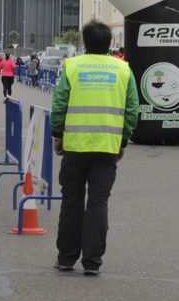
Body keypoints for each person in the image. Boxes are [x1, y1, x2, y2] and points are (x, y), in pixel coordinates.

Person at [51, 21, 138, 276]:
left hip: (75, 146)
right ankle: (92, 262)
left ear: (85, 43)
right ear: (109, 43)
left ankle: (66, 258)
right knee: (98, 203)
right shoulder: (123, 69)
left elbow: (59, 104)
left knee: (71, 202)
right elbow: (131, 109)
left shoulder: (72, 66)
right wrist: (123, 140)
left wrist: (58, 135)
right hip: (107, 147)